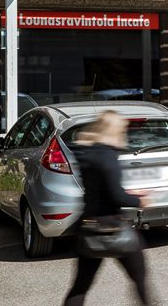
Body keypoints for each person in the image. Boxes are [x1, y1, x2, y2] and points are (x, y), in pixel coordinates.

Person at [63, 110, 154, 306]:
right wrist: (139, 201)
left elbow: (102, 188)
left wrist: (126, 192)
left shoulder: (87, 153)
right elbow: (116, 196)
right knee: (139, 277)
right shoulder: (108, 155)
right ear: (115, 130)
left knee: (80, 286)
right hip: (114, 226)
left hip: (89, 226)